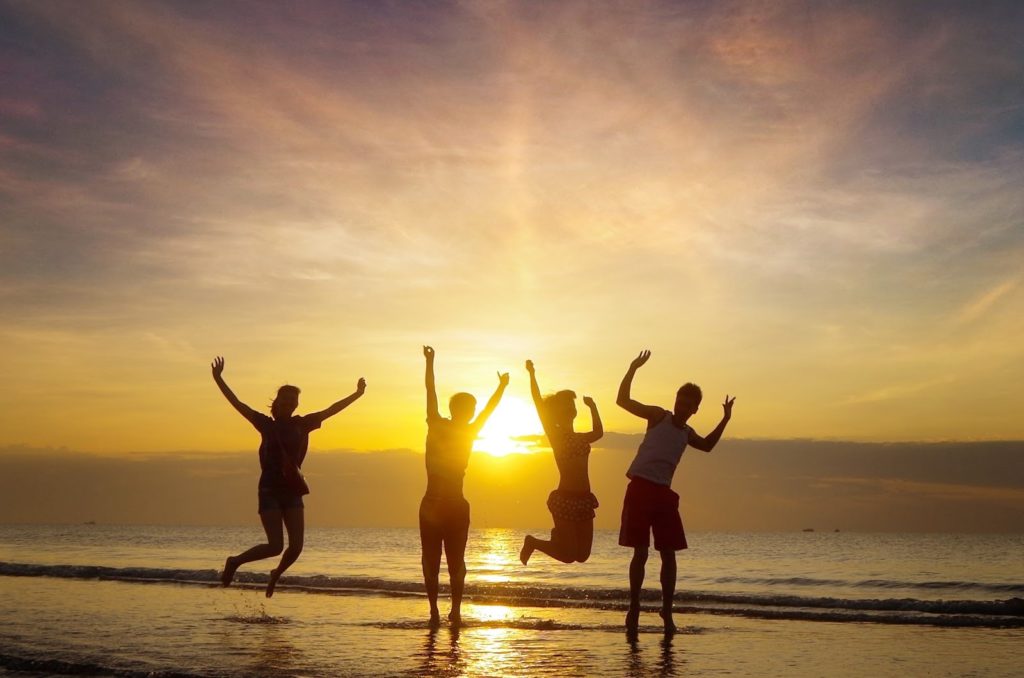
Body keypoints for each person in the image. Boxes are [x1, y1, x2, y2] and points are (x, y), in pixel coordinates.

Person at [211, 356, 366, 597]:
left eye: (293, 399)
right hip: (270, 490)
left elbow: (332, 409)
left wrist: (357, 394)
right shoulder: (266, 424)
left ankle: (276, 574)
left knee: (296, 547)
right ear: (278, 402)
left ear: (296, 404)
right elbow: (238, 403)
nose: (290, 402)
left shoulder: (303, 423)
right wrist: (218, 379)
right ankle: (235, 561)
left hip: (292, 490)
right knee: (275, 546)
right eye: (286, 398)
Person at [616, 350, 734, 634]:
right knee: (641, 552)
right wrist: (633, 368)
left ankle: (666, 612)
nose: (682, 408)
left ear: (695, 410)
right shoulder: (658, 416)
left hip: (664, 494)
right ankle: (634, 608)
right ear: (675, 401)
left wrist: (726, 418)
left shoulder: (687, 433)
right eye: (680, 402)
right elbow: (623, 401)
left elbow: (707, 446)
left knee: (669, 555)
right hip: (640, 488)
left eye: (688, 405)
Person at [421, 345, 508, 627]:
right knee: (431, 560)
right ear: (455, 409)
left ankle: (455, 611)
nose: (471, 412)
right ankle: (434, 611)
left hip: (456, 504)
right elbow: (430, 390)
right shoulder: (437, 423)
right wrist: (430, 362)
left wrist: (502, 387)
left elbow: (489, 410)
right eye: (467, 408)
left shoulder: (469, 430)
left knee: (456, 561)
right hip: (432, 504)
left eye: (472, 409)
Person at [519, 359, 603, 565]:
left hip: (584, 498)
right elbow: (538, 402)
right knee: (568, 556)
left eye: (571, 404)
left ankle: (557, 538)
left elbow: (599, 432)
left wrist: (593, 407)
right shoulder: (555, 435)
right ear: (556, 412)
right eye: (565, 404)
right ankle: (533, 542)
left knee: (582, 556)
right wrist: (532, 374)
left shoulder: (581, 438)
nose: (570, 406)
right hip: (565, 498)